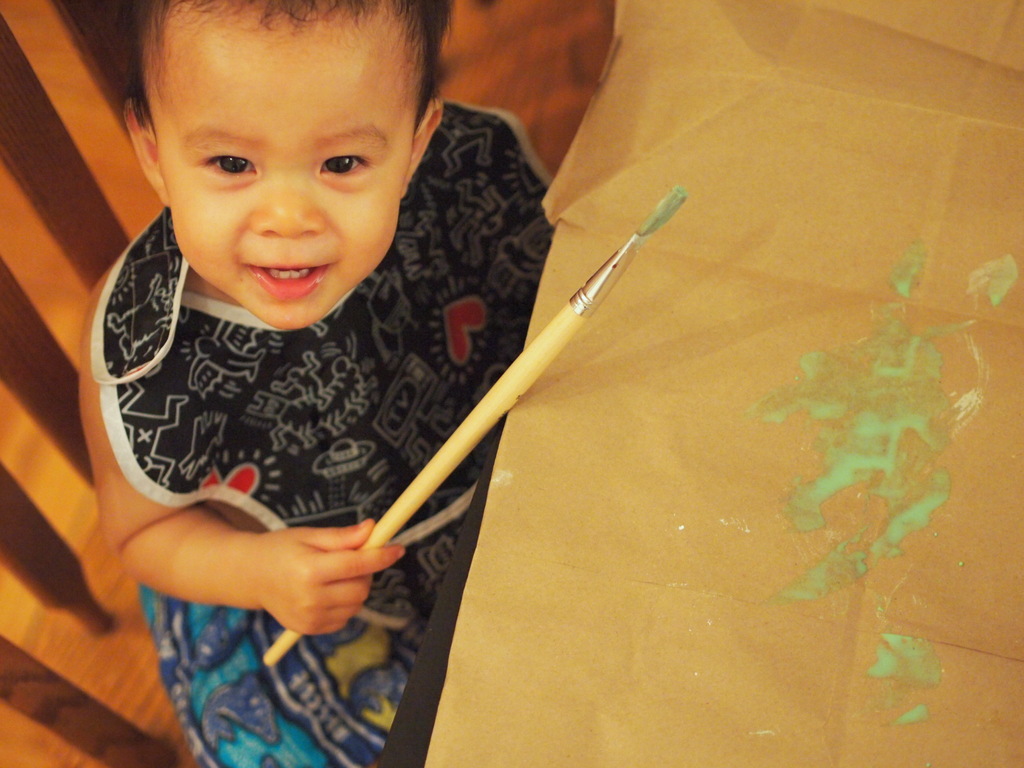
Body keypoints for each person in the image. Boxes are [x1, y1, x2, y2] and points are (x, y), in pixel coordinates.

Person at [78, 1, 551, 765]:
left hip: (508, 507)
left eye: (342, 164)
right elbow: (141, 534)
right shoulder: (146, 353)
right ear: (153, 150)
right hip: (293, 582)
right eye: (232, 165)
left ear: (419, 141)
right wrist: (260, 572)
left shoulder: (465, 182)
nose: (290, 217)